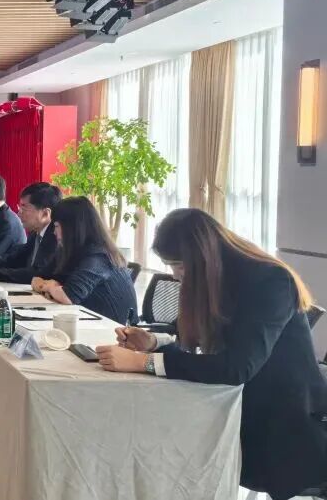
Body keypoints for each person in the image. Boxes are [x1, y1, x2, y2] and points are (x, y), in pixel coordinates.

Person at [96, 209, 327, 499]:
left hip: (282, 425)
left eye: (178, 265)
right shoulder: (218, 279)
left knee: (170, 447)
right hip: (234, 405)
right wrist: (153, 343)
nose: (175, 274)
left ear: (202, 255)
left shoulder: (271, 281)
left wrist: (146, 363)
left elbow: (237, 367)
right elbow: (196, 342)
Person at [29, 197, 136, 323]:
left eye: (56, 226)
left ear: (72, 228)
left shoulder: (100, 257)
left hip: (114, 329)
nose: (54, 232)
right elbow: (39, 278)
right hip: (89, 322)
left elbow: (69, 296)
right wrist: (50, 286)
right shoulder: (73, 252)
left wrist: (49, 287)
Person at [0, 182, 61, 283]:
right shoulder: (36, 232)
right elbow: (17, 258)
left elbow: (38, 273)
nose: (19, 213)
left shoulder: (56, 237)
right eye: (20, 207)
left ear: (45, 213)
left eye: (24, 208)